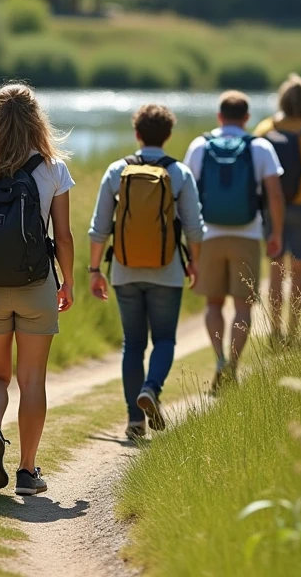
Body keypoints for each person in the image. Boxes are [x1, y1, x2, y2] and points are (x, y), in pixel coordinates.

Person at [0, 84, 75, 497]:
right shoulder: (53, 168)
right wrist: (70, 281)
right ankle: (27, 472)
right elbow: (62, 236)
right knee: (32, 379)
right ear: (36, 118)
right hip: (36, 284)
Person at [88, 104, 205, 441]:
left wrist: (95, 269)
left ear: (137, 133)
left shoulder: (115, 171)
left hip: (124, 270)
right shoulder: (179, 172)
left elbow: (99, 229)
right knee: (164, 338)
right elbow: (195, 229)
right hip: (167, 271)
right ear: (167, 135)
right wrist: (194, 262)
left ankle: (135, 421)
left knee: (133, 344)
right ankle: (152, 388)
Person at [184, 91, 285, 392]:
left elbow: (187, 194)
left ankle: (218, 359)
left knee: (213, 304)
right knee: (243, 306)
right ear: (246, 118)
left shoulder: (200, 145)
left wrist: (190, 240)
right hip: (247, 235)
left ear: (219, 116)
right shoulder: (260, 147)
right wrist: (276, 233)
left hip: (208, 235)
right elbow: (275, 196)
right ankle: (233, 367)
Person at [254, 74, 301, 345]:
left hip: (273, 210)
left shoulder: (264, 129)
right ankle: (293, 332)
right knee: (298, 272)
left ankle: (274, 331)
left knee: (275, 270)